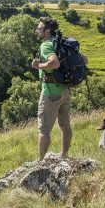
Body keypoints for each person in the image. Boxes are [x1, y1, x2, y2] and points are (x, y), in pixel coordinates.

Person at [31, 17, 72, 160]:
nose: (37, 31)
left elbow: (54, 63)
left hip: (50, 93)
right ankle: (64, 155)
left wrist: (38, 66)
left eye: (40, 28)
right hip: (65, 91)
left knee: (44, 129)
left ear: (47, 31)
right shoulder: (61, 42)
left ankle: (40, 162)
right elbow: (84, 59)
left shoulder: (46, 45)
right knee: (65, 125)